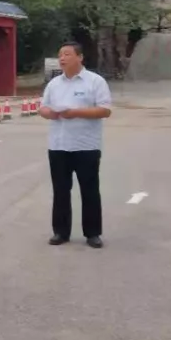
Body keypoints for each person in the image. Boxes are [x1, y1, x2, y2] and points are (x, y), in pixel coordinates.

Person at [40, 41, 112, 248]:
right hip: (58, 145)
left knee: (89, 190)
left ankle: (92, 233)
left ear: (80, 57)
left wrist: (75, 113)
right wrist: (51, 113)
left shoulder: (95, 82)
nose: (62, 58)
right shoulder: (54, 84)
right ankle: (60, 232)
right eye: (60, 54)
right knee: (60, 190)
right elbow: (42, 108)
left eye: (67, 54)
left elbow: (105, 110)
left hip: (86, 145)